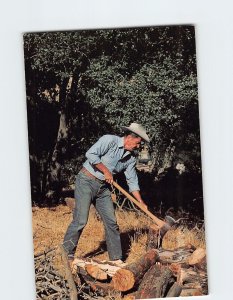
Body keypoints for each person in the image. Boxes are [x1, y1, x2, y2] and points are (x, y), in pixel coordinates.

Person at [63, 122, 150, 266]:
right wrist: (105, 170)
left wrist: (140, 202)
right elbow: (90, 154)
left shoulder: (130, 159)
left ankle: (115, 258)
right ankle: (66, 254)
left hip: (103, 188)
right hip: (86, 181)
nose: (138, 146)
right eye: (137, 142)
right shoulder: (109, 140)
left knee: (112, 222)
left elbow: (132, 182)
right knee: (80, 220)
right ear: (129, 137)